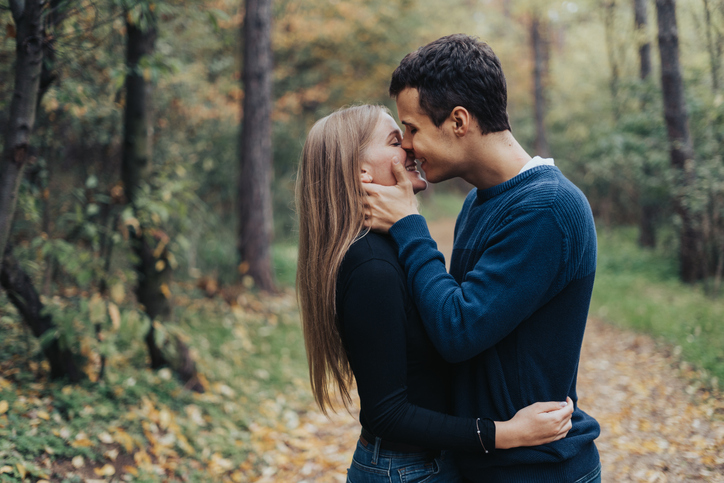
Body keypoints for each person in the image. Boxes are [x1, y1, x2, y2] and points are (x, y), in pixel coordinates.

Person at [362, 35, 601, 482]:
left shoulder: (548, 207)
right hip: (483, 463)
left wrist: (408, 226)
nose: (408, 146)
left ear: (458, 121)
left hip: (538, 469)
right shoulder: (480, 202)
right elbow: (446, 316)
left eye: (412, 128)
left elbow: (458, 328)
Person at [296, 104, 575, 483]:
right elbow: (387, 413)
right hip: (407, 471)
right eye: (397, 140)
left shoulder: (391, 245)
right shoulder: (371, 266)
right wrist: (506, 433)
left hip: (423, 466)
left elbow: (457, 315)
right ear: (362, 171)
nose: (410, 148)